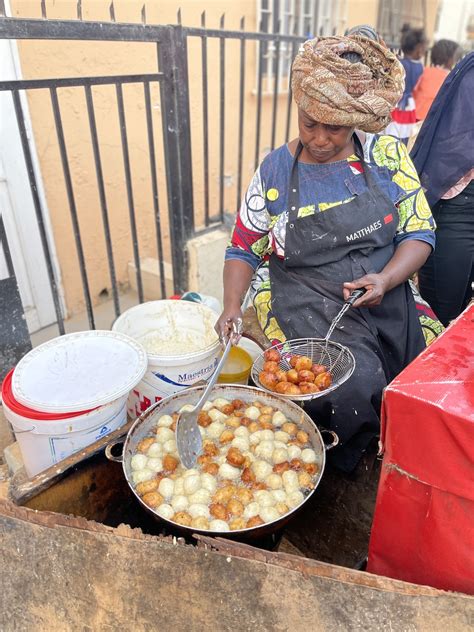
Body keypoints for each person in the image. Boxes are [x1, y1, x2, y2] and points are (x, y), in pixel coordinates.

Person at [217, 34, 435, 473]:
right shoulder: (276, 171)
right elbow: (243, 246)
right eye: (308, 123)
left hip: (381, 287)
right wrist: (229, 305)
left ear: (354, 119)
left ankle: (396, 455)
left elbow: (420, 232)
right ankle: (342, 468)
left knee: (419, 370)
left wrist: (388, 280)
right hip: (306, 295)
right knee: (353, 385)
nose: (318, 138)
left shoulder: (386, 156)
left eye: (332, 128)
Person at [412, 53, 474, 327]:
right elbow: (453, 142)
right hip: (458, 203)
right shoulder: (471, 75)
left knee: (463, 315)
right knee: (441, 319)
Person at [386, 24, 427, 144]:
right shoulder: (419, 67)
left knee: (391, 130)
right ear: (419, 48)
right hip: (408, 104)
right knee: (404, 133)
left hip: (395, 101)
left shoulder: (400, 64)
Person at [412, 39, 462, 122]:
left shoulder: (424, 71)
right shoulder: (450, 77)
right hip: (433, 120)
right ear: (449, 58)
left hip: (414, 116)